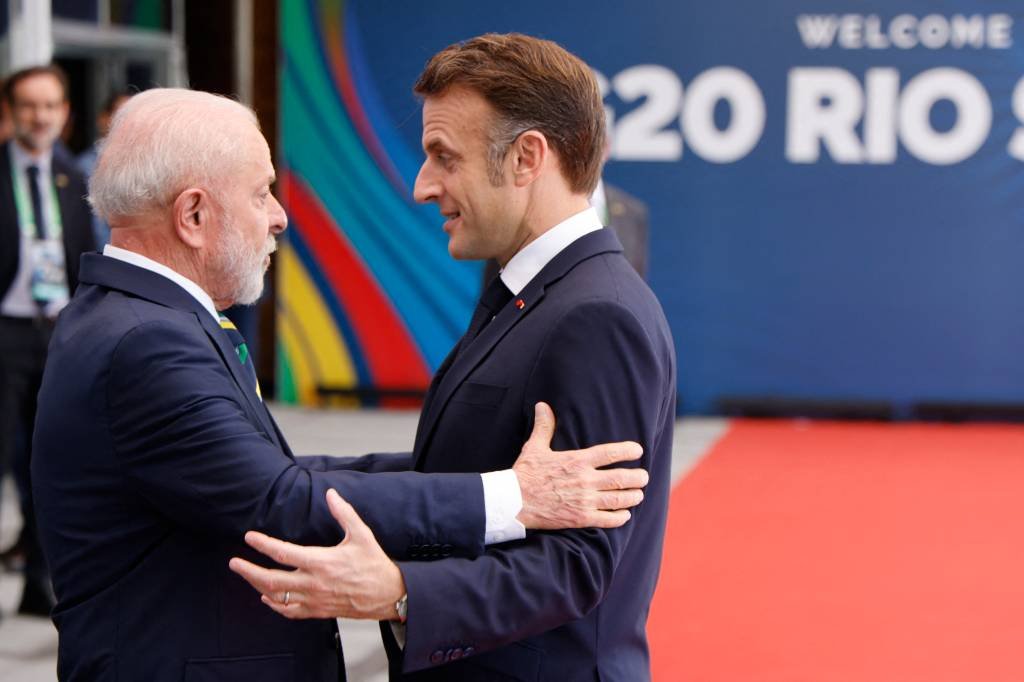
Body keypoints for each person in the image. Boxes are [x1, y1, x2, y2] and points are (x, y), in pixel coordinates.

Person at [30, 87, 649, 682]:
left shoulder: (133, 318)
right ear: (193, 214)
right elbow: (278, 500)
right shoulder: (147, 340)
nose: (278, 217)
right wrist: (509, 497)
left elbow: (264, 477)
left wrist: (472, 473)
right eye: (263, 192)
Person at [230, 33, 676, 681]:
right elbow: (462, 465)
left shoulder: (595, 316)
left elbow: (578, 565)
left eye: (444, 157)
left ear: (527, 158)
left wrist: (398, 590)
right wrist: (282, 482)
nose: (420, 186)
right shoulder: (525, 290)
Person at [0, 64, 95, 617]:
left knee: (48, 465)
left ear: (65, 114)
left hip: (56, 335)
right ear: (10, 112)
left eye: (51, 106)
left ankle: (40, 582)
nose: (40, 117)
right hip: (5, 334)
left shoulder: (72, 177)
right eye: (29, 106)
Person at [77, 90, 132, 247]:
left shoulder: (143, 168)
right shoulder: (83, 168)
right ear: (102, 119)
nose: (126, 125)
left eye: (132, 119)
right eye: (119, 117)